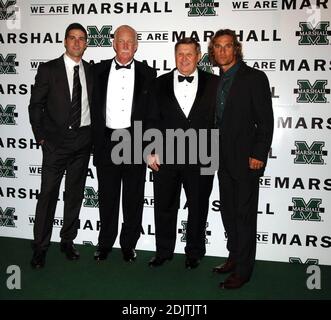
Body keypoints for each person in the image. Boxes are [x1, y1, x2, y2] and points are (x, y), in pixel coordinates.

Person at [208, 29, 274, 288]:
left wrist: (258, 153)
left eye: (227, 46)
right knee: (228, 212)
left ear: (236, 48)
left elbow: (265, 120)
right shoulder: (214, 82)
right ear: (212, 52)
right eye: (218, 47)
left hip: (246, 160)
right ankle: (234, 257)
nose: (222, 51)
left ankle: (244, 271)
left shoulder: (254, 78)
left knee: (245, 216)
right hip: (221, 159)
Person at [147, 38, 218, 269]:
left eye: (189, 54)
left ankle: (194, 252)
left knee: (198, 206)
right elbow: (151, 119)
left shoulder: (215, 83)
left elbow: (223, 121)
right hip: (166, 155)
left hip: (203, 156)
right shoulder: (160, 83)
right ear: (174, 56)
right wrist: (150, 150)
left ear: (198, 56)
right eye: (180, 54)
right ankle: (163, 251)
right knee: (165, 205)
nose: (184, 59)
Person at [28, 23, 93, 268]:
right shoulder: (48, 69)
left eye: (81, 39)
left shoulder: (91, 71)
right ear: (65, 41)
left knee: (74, 195)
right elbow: (35, 105)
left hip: (83, 141)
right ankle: (40, 247)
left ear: (86, 43)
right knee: (47, 196)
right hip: (55, 143)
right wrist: (41, 136)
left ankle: (68, 241)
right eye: (72, 38)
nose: (77, 42)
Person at [91, 25, 156, 262]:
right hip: (106, 142)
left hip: (134, 142)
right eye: (122, 41)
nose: (126, 45)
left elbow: (151, 115)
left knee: (133, 199)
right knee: (107, 197)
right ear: (114, 44)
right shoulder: (96, 71)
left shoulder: (149, 74)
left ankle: (128, 245)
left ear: (136, 45)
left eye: (131, 41)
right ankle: (105, 244)